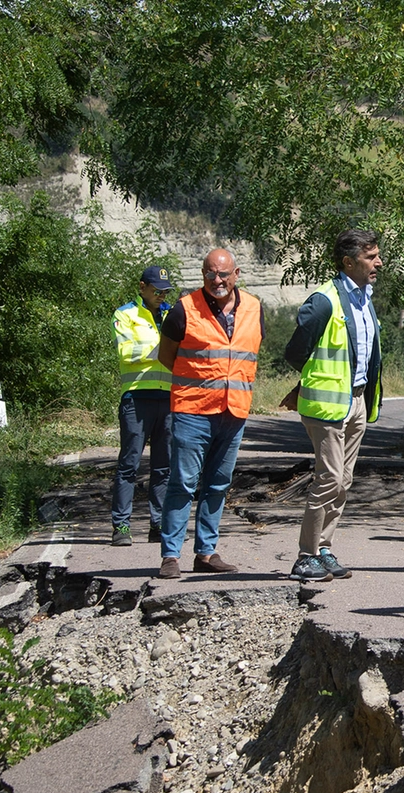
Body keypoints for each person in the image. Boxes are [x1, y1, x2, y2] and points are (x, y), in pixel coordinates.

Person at [155, 248, 263, 579]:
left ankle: (206, 552)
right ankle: (170, 555)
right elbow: (166, 356)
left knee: (218, 483)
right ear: (203, 274)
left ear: (236, 274)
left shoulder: (255, 308)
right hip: (192, 410)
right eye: (210, 274)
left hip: (234, 411)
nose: (217, 280)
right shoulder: (184, 309)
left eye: (223, 274)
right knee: (183, 482)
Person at [284, 229, 384, 582]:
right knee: (328, 478)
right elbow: (296, 351)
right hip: (327, 404)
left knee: (343, 480)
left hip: (357, 401)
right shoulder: (325, 301)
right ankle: (305, 556)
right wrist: (313, 382)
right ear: (348, 262)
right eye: (371, 257)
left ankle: (324, 548)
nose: (379, 262)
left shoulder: (363, 298)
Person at [111, 265, 174, 547]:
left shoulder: (173, 314)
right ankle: (121, 526)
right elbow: (126, 351)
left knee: (164, 467)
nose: (161, 294)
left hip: (169, 398)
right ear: (142, 287)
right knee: (129, 464)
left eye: (165, 290)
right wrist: (163, 349)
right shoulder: (125, 314)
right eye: (157, 289)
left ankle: (157, 523)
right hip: (137, 396)